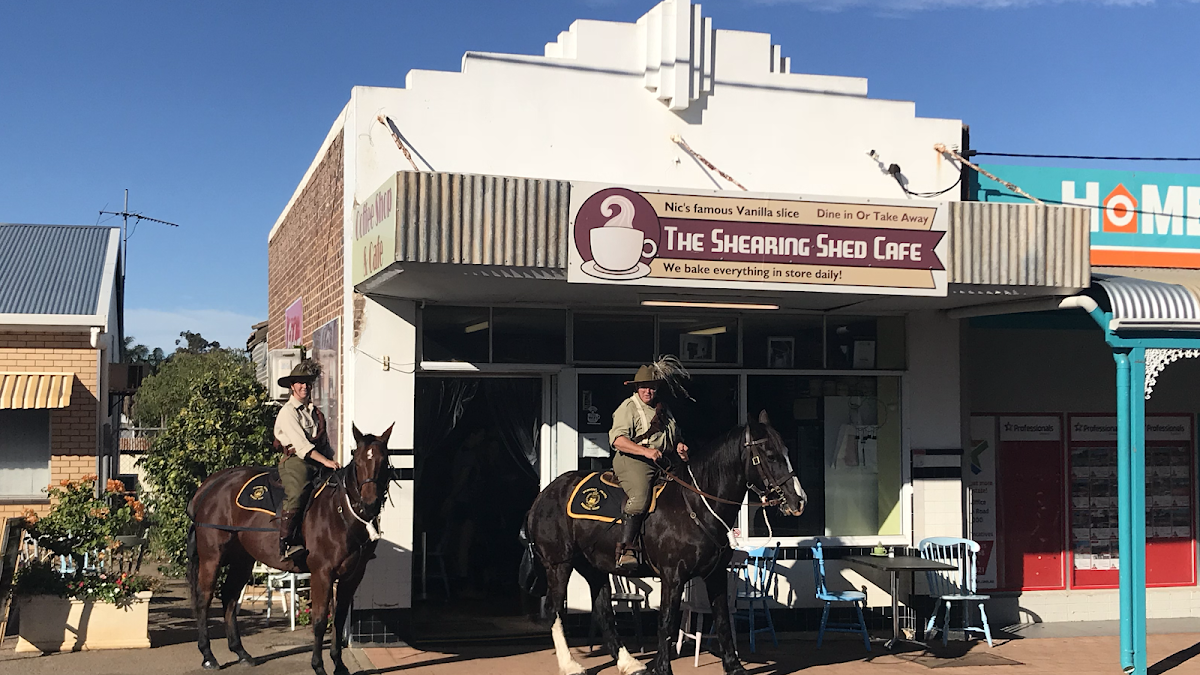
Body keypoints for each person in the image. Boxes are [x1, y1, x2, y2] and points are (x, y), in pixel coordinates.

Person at [608, 356, 690, 570]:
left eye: (652, 387)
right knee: (640, 497)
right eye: (644, 387)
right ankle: (626, 550)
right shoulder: (628, 407)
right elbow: (618, 440)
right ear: (637, 388)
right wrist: (645, 451)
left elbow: (675, 435)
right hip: (633, 461)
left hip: (664, 460)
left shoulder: (665, 410)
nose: (648, 392)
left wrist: (680, 445)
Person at [273, 360, 340, 562]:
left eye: (308, 383)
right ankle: (286, 543)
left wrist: (333, 462)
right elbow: (302, 447)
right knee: (297, 491)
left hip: (317, 458)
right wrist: (326, 462)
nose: (305, 386)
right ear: (292, 386)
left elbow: (324, 443)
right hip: (296, 460)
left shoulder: (315, 412)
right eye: (300, 382)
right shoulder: (288, 412)